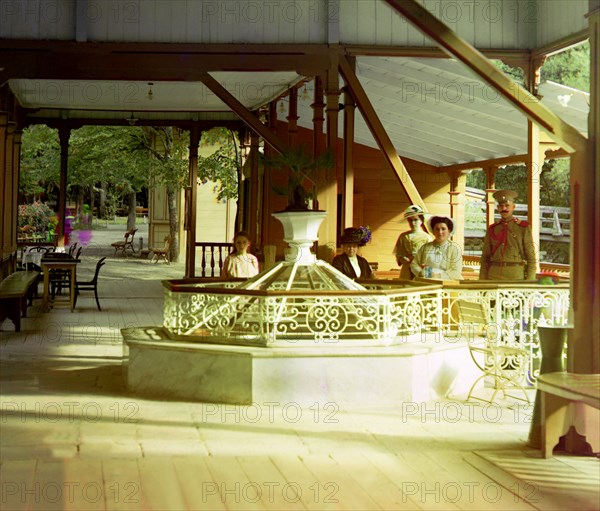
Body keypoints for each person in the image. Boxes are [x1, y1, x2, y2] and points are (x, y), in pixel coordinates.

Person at [479, 190, 537, 280]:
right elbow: (485, 258)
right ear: (498, 208)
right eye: (501, 206)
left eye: (507, 206)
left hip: (515, 275)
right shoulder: (492, 229)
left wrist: (530, 281)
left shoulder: (523, 228)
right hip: (494, 275)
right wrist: (482, 280)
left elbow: (531, 258)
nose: (504, 209)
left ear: (513, 207)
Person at [411, 215, 463, 280]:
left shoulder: (454, 248)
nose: (440, 232)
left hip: (447, 282)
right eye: (437, 229)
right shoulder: (425, 247)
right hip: (426, 280)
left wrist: (437, 276)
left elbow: (456, 271)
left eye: (443, 229)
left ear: (449, 231)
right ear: (433, 231)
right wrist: (420, 273)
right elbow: (414, 264)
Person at [393, 205, 432, 280]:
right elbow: (399, 254)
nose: (413, 223)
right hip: (407, 269)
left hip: (421, 268)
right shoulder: (403, 236)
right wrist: (402, 259)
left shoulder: (426, 238)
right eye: (410, 220)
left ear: (421, 220)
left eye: (415, 220)